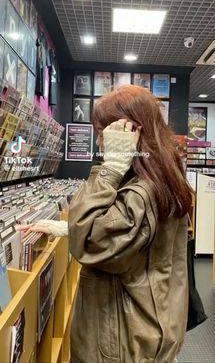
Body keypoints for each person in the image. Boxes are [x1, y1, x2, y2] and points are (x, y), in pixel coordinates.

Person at [18, 85, 192, 363]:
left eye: (103, 133)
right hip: (144, 328)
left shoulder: (140, 192)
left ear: (130, 132)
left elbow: (91, 242)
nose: (99, 142)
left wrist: (110, 168)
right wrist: (67, 228)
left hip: (121, 342)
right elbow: (134, 241)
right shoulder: (161, 179)